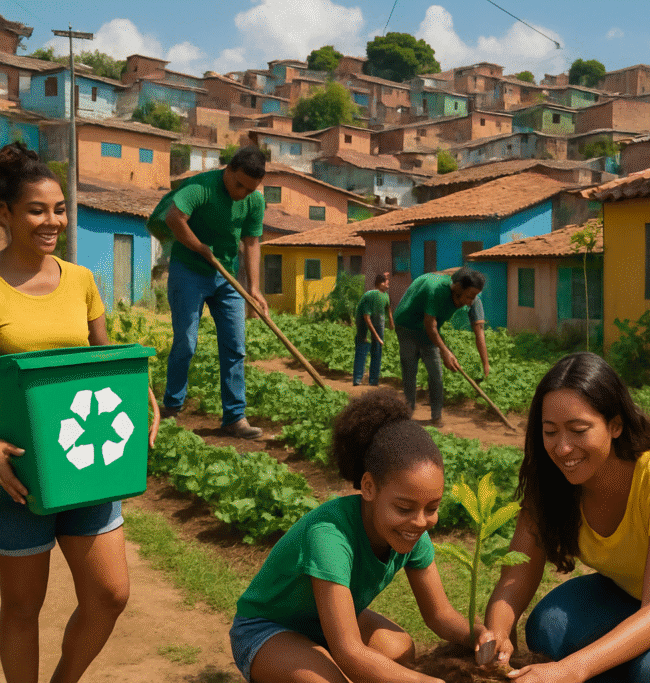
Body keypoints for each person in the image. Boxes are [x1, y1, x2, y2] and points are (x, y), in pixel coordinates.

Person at [477, 352, 650, 683]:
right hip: (631, 594)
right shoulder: (551, 479)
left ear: (614, 425)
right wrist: (497, 630)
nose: (562, 448)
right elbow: (516, 577)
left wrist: (570, 669)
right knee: (548, 628)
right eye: (550, 431)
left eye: (578, 429)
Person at [0, 141, 158, 683]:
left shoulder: (82, 279)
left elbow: (105, 362)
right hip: (16, 472)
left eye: (60, 209)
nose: (53, 221)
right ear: (5, 214)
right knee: (22, 609)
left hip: (86, 461)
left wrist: (146, 399)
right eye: (37, 209)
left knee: (110, 594)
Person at [229, 388, 480, 683]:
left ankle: (311, 659)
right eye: (404, 507)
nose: (419, 521)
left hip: (321, 626)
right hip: (265, 629)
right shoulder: (329, 537)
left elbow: (440, 615)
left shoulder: (412, 535)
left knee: (400, 651)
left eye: (432, 508)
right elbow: (349, 651)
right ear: (369, 487)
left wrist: (482, 635)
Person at [149, 146, 268, 439]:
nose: (242, 193)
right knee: (186, 342)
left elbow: (252, 242)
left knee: (234, 345)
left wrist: (254, 287)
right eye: (238, 184)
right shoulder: (201, 187)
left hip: (226, 277)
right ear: (228, 170)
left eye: (250, 189)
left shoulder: (254, 200)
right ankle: (172, 407)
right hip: (189, 270)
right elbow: (175, 218)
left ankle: (234, 417)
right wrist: (198, 247)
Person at [393, 267, 490, 427]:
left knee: (436, 372)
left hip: (429, 330)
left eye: (474, 297)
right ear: (457, 289)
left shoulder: (471, 297)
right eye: (470, 296)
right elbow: (429, 324)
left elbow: (478, 329)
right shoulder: (436, 289)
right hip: (407, 325)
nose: (471, 302)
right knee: (410, 371)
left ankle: (436, 418)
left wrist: (485, 364)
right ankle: (406, 417)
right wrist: (446, 352)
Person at [353, 272, 395, 387]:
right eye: (387, 282)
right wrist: (377, 337)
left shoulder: (385, 295)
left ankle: (374, 380)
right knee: (362, 347)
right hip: (363, 321)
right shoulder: (370, 296)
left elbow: (388, 307)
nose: (388, 285)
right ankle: (357, 379)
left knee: (377, 350)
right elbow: (367, 319)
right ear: (381, 283)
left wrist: (391, 320)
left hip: (377, 320)